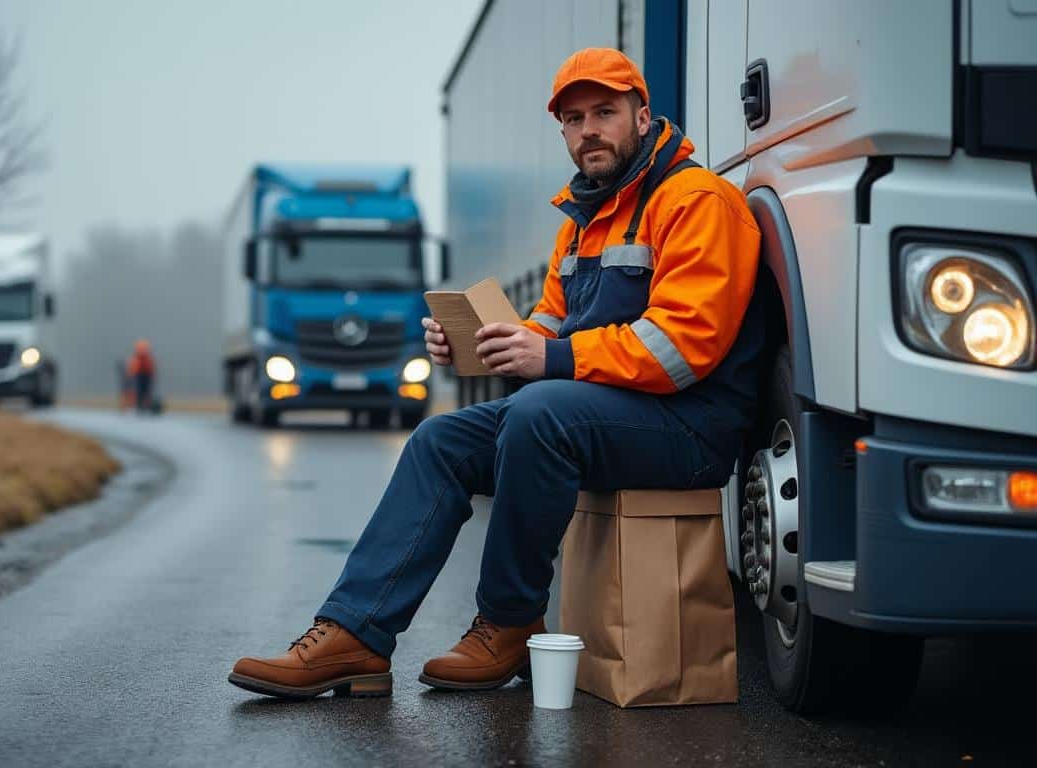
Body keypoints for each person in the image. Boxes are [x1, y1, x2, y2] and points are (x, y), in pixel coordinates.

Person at [228, 48, 766, 700]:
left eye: (605, 112)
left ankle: (509, 623)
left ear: (643, 115)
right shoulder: (582, 223)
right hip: (602, 416)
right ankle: (356, 636)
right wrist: (484, 348)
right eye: (573, 119)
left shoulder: (697, 200)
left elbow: (685, 345)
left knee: (541, 415)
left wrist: (554, 360)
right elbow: (547, 326)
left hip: (690, 427)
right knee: (441, 441)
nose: (588, 129)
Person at [126, 339, 156, 414]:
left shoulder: (147, 359)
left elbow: (151, 368)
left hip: (146, 376)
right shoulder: (136, 358)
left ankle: (144, 406)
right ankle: (138, 406)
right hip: (138, 376)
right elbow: (132, 368)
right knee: (138, 392)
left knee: (145, 392)